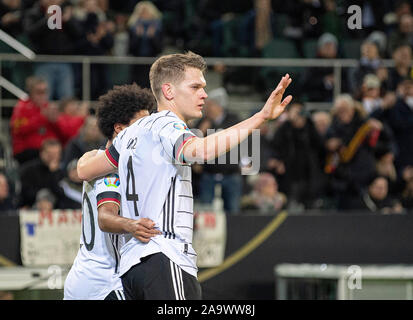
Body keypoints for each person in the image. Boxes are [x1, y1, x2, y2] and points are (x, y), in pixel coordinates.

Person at [77, 51, 293, 300]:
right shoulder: (168, 124)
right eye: (195, 86)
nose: (204, 94)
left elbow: (85, 171)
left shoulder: (131, 132)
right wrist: (260, 117)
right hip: (164, 255)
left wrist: (86, 157)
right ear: (168, 91)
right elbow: (199, 151)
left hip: (131, 267)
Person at [64, 84, 159, 300]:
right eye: (141, 124)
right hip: (105, 282)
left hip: (82, 274)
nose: (147, 131)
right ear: (119, 129)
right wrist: (132, 226)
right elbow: (105, 218)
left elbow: (83, 168)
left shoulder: (93, 159)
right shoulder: (114, 170)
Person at [195, 87, 242, 214]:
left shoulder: (233, 120)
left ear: (218, 106)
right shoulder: (203, 122)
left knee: (233, 210)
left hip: (230, 173)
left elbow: (242, 141)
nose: (207, 108)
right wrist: (202, 130)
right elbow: (193, 143)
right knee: (206, 210)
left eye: (210, 104)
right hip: (209, 173)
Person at [10, 76, 61, 164]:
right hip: (27, 151)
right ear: (31, 93)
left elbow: (59, 132)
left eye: (45, 92)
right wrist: (41, 117)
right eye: (39, 92)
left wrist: (55, 121)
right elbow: (18, 129)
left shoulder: (48, 107)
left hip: (45, 150)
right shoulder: (22, 107)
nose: (43, 95)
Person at [19, 138, 64, 208]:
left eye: (56, 154)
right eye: (50, 154)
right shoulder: (29, 170)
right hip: (33, 206)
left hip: (56, 208)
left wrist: (53, 173)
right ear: (42, 153)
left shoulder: (61, 171)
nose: (53, 158)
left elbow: (61, 194)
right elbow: (26, 193)